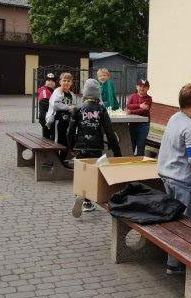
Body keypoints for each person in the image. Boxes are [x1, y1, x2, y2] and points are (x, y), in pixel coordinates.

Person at [157, 83, 191, 275]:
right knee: (185, 224)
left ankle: (172, 261)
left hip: (168, 175)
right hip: (183, 181)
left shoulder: (175, 117)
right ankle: (176, 264)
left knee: (174, 220)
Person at [68, 79, 121, 214]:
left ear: (85, 93)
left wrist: (71, 147)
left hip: (81, 146)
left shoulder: (78, 108)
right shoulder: (101, 109)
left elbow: (70, 131)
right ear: (98, 93)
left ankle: (80, 195)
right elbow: (109, 132)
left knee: (82, 172)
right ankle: (88, 201)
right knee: (93, 173)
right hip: (96, 147)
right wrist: (117, 151)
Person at [46, 72, 76, 159]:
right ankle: (53, 160)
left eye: (68, 81)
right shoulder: (58, 92)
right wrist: (69, 107)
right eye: (64, 80)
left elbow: (73, 106)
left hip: (66, 121)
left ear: (71, 83)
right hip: (57, 121)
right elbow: (56, 105)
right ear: (60, 82)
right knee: (56, 140)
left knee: (64, 140)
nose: (66, 82)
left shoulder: (71, 94)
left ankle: (62, 160)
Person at [126, 79, 152, 156]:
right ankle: (130, 160)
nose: (142, 88)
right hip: (133, 124)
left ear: (148, 88)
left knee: (141, 145)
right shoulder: (133, 96)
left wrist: (131, 112)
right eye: (140, 86)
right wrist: (140, 106)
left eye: (144, 86)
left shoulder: (148, 99)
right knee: (131, 144)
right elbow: (128, 106)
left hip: (143, 125)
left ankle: (140, 160)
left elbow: (143, 111)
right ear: (136, 87)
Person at [36, 73, 56, 140]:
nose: (50, 82)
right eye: (48, 80)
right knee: (48, 137)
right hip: (46, 117)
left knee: (47, 136)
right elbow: (45, 105)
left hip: (48, 117)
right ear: (45, 82)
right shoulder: (44, 91)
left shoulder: (51, 91)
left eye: (53, 81)